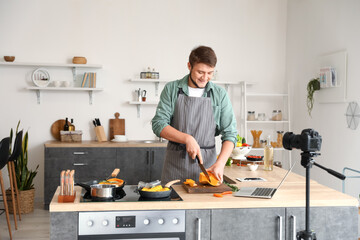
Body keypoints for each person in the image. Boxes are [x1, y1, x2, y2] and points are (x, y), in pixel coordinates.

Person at [151, 45, 237, 184]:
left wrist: (220, 163)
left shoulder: (219, 95)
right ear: (189, 66)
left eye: (210, 73)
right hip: (175, 167)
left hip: (207, 169)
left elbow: (230, 133)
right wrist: (187, 138)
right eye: (200, 72)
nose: (205, 78)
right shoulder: (172, 89)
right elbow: (158, 125)